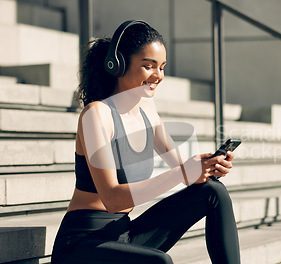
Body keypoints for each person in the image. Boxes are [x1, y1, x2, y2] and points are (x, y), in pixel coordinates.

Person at [51, 20, 240, 264]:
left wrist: (208, 168)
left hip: (124, 235)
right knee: (159, 262)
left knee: (213, 191)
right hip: (83, 244)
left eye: (162, 67)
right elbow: (112, 199)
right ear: (117, 64)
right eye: (148, 66)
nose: (158, 75)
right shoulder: (96, 115)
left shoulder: (148, 114)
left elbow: (184, 172)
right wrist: (185, 172)